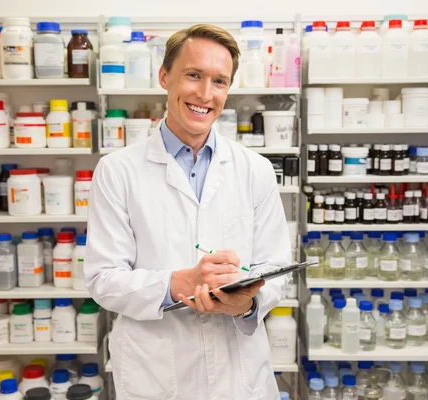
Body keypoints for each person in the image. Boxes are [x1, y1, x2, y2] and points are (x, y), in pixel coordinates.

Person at [85, 23, 291, 400]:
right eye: (193, 75)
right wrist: (175, 285)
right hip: (157, 375)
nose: (205, 94)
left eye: (219, 81)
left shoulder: (255, 169)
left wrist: (246, 303)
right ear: (165, 76)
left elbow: (274, 266)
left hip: (238, 375)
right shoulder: (118, 171)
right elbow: (103, 279)